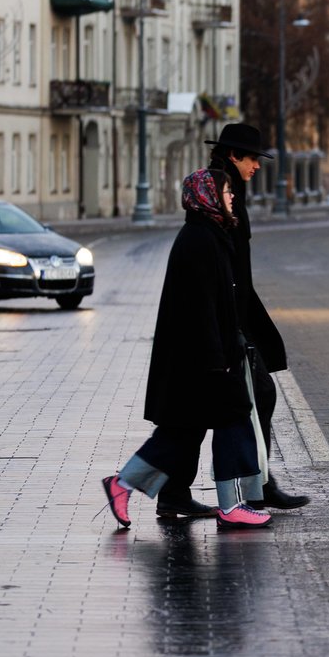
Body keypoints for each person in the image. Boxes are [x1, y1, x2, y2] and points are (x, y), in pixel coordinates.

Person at [101, 169, 271, 531]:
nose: (231, 198)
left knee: (179, 434)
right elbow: (200, 308)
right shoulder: (199, 240)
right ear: (208, 196)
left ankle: (123, 484)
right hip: (203, 361)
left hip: (197, 359)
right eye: (226, 192)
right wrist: (217, 361)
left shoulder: (208, 234)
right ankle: (233, 504)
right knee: (232, 419)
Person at [206, 123, 310, 513]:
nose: (258, 166)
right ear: (234, 156)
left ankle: (255, 485)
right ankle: (254, 488)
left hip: (237, 311)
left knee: (221, 409)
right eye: (252, 158)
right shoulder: (220, 187)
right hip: (230, 317)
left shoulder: (231, 185)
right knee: (251, 398)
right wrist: (233, 321)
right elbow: (221, 258)